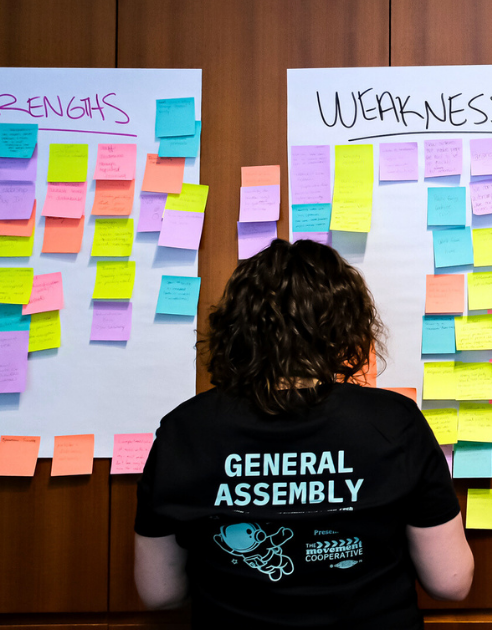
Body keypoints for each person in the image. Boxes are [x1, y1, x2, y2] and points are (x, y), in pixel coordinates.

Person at [134, 239, 473, 628]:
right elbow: (450, 581)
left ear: (237, 328)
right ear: (344, 326)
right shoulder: (394, 422)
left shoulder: (185, 428)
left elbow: (159, 593)